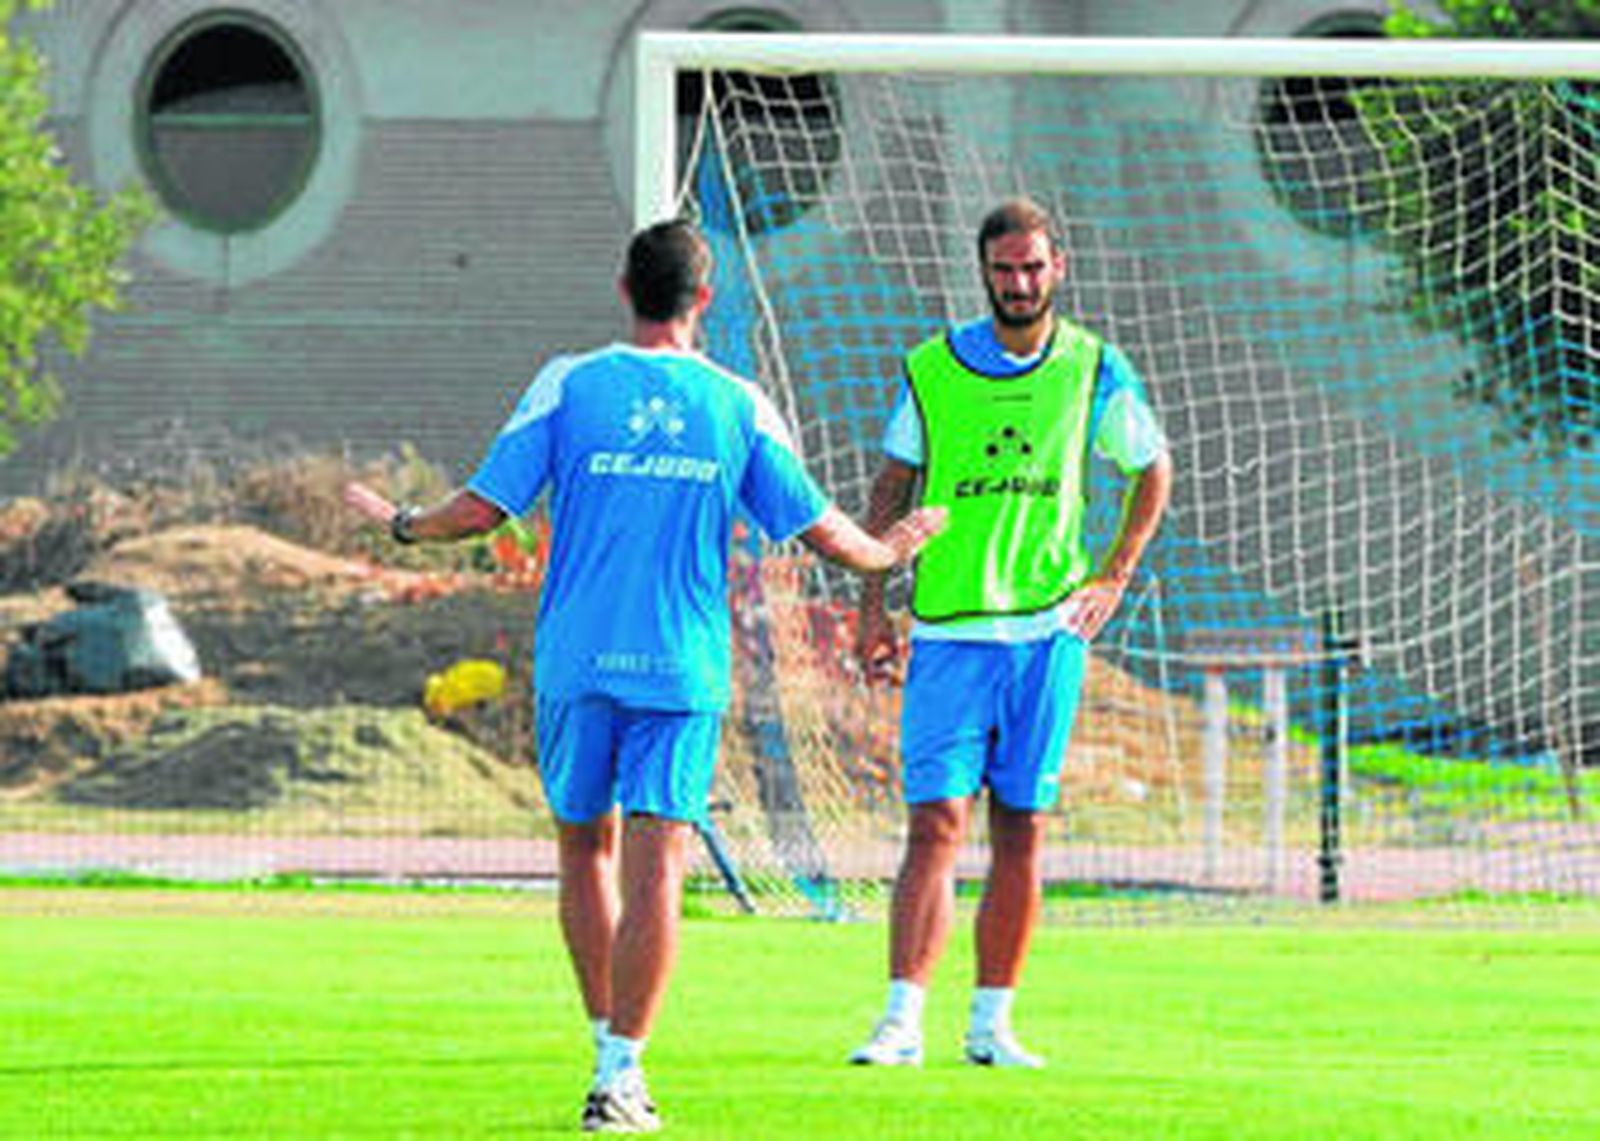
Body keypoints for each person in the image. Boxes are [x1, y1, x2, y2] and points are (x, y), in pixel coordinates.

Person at [345, 219, 945, 1133]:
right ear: (704, 300)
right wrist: (887, 551)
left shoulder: (567, 382)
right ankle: (622, 1073)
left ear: (625, 289)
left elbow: (478, 510)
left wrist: (399, 523)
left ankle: (603, 1042)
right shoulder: (737, 402)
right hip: (680, 666)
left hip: (577, 659)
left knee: (585, 849)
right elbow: (829, 533)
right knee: (658, 866)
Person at [848, 197, 1173, 1070]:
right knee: (935, 823)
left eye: (1033, 267)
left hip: (1047, 635)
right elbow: (889, 490)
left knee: (1022, 825)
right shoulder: (932, 367)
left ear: (1056, 268)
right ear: (983, 271)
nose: (1020, 283)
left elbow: (1151, 469)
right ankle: (901, 1020)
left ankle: (991, 1023)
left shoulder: (1096, 367)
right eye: (1004, 270)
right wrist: (874, 605)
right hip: (951, 632)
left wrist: (1114, 574)